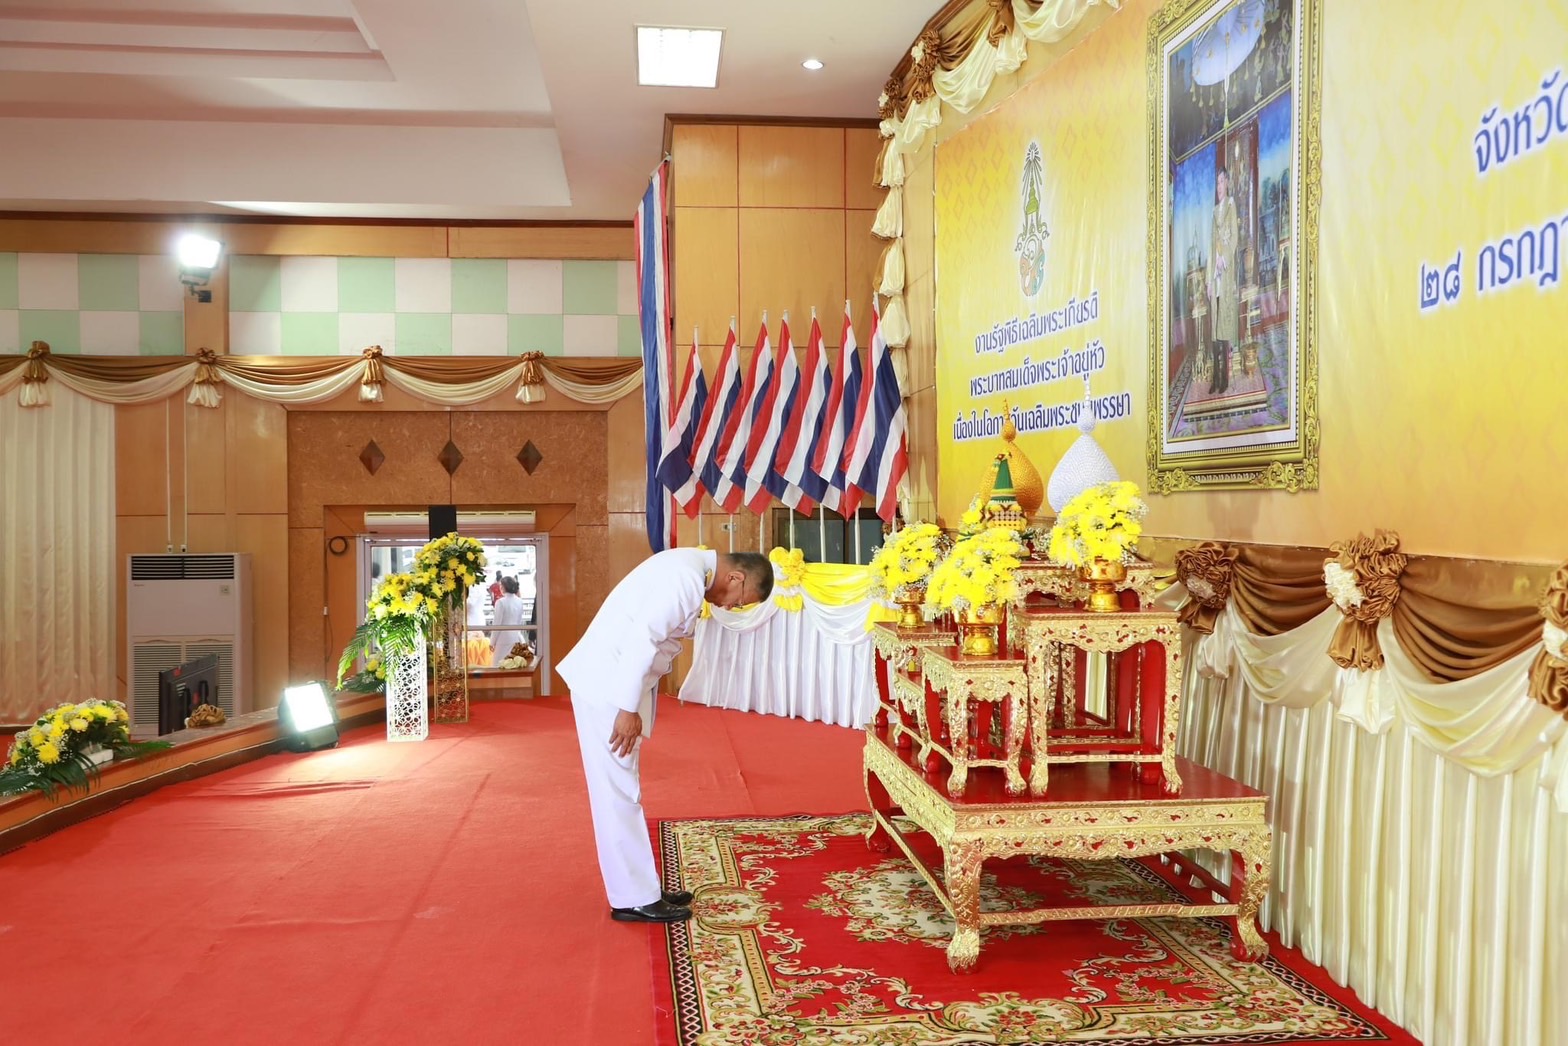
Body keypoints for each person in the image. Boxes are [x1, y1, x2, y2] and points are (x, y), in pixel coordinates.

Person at [559, 548, 773, 924]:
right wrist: (627, 709)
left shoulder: (690, 569)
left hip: (613, 683)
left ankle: (640, 887)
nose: (733, 608)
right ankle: (631, 897)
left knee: (624, 788)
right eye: (741, 602)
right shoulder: (685, 578)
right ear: (736, 578)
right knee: (619, 791)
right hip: (608, 687)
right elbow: (644, 640)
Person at [1209, 165, 1240, 394]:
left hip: (1226, 273)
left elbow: (1235, 238)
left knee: (1224, 326)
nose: (1219, 187)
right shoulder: (1214, 212)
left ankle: (1225, 378)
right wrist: (1210, 279)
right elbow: (1211, 246)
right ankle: (1215, 377)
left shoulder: (1231, 206)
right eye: (1217, 183)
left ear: (1227, 183)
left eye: (1222, 182)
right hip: (1216, 277)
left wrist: (1224, 259)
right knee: (1214, 327)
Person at [490, 576, 528, 666]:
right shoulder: (519, 601)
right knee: (512, 664)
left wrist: (492, 642)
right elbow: (519, 621)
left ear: (503, 587)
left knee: (498, 664)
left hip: (502, 637)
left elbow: (497, 624)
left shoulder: (500, 602)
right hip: (515, 636)